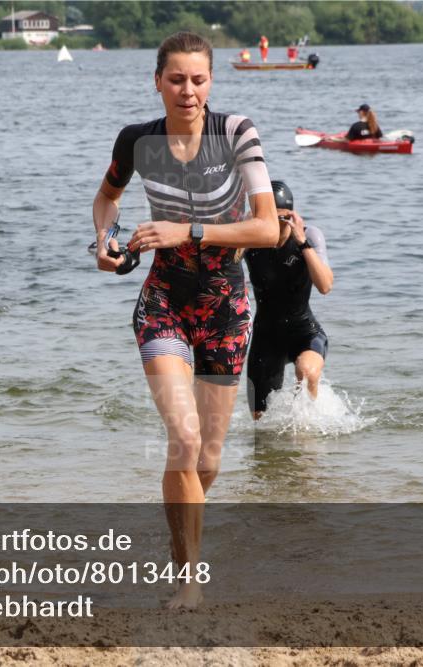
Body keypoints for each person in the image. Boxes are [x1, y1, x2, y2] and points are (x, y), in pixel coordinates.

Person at [93, 31, 278, 609]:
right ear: (157, 82)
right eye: (176, 79)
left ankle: (182, 536)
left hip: (226, 306)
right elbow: (106, 199)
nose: (188, 90)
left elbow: (268, 228)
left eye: (198, 79)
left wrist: (189, 230)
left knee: (207, 459)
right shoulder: (138, 140)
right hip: (164, 301)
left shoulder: (236, 133)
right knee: (184, 439)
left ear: (211, 81)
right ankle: (189, 579)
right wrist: (106, 240)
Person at [244, 181, 333, 419]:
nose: (278, 226)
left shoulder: (309, 235)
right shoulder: (251, 239)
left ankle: (307, 427)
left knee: (308, 372)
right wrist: (243, 231)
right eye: (271, 219)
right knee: (259, 421)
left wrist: (302, 242)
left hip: (303, 331)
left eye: (284, 218)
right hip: (266, 338)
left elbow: (325, 285)